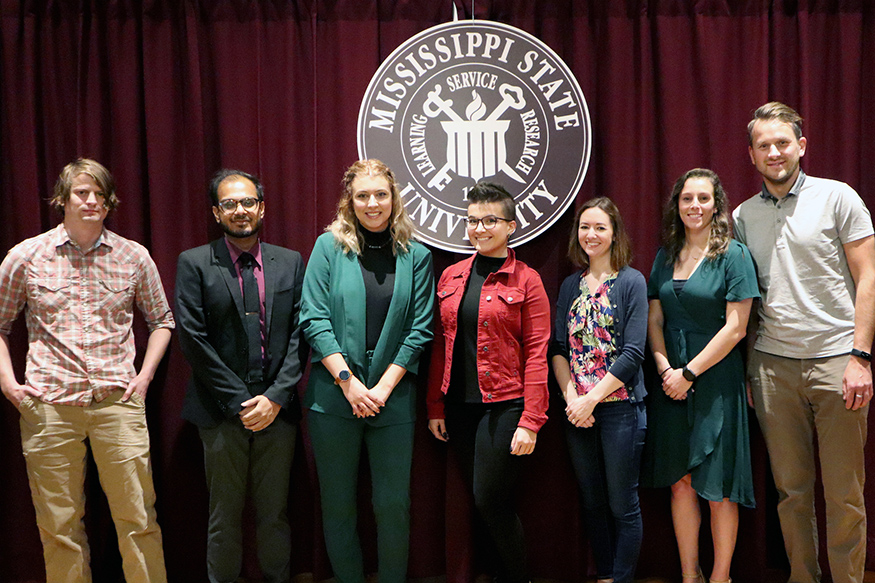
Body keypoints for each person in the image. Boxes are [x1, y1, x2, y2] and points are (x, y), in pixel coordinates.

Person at [0, 158, 174, 583]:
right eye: (82, 192)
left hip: (119, 404)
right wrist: (8, 383)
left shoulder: (134, 256)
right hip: (49, 408)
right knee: (59, 528)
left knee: (138, 520)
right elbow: (0, 325)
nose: (92, 200)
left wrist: (144, 377)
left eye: (99, 193)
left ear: (110, 200)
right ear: (63, 199)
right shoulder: (26, 256)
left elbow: (162, 322)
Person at [733, 102, 875, 583]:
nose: (774, 152)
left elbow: (868, 277)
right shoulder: (742, 216)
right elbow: (745, 300)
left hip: (838, 363)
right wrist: (752, 368)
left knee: (844, 494)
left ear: (801, 146)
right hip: (772, 369)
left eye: (782, 143)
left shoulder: (839, 198)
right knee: (791, 493)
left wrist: (861, 357)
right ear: (751, 154)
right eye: (764, 145)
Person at [300, 159, 434, 583]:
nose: (372, 203)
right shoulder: (328, 247)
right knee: (338, 505)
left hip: (393, 401)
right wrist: (350, 385)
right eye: (362, 195)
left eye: (381, 194)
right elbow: (313, 318)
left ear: (394, 198)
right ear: (349, 201)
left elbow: (420, 328)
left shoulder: (418, 255)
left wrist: (381, 388)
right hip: (333, 397)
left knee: (393, 505)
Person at [175, 169, 306, 583]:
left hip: (278, 410)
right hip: (220, 411)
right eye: (229, 204)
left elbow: (302, 334)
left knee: (275, 516)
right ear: (216, 212)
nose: (240, 210)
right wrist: (240, 401)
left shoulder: (290, 262)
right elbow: (193, 339)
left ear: (261, 207)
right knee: (223, 517)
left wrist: (276, 397)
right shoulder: (195, 262)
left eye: (248, 202)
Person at [427, 182, 551, 583]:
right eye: (472, 220)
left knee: (490, 499)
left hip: (506, 406)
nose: (479, 228)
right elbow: (441, 347)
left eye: (490, 220)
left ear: (510, 225)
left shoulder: (527, 280)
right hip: (460, 407)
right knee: (480, 506)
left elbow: (537, 352)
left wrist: (532, 419)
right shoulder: (451, 275)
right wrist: (435, 406)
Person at [643, 170, 759, 583]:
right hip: (670, 383)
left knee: (719, 488)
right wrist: (664, 369)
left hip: (714, 380)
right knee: (681, 484)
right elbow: (653, 320)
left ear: (716, 205)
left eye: (703, 199)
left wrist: (690, 372)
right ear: (677, 205)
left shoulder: (734, 255)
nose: (694, 206)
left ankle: (720, 577)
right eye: (686, 198)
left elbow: (736, 328)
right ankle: (689, 576)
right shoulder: (664, 255)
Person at [550, 197, 647, 583]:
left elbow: (633, 352)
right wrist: (572, 398)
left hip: (621, 408)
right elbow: (557, 349)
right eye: (585, 227)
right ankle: (605, 574)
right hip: (578, 411)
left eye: (600, 227)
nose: (591, 235)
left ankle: (622, 579)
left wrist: (592, 397)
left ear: (614, 233)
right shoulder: (570, 285)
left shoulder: (631, 282)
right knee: (592, 502)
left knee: (623, 505)